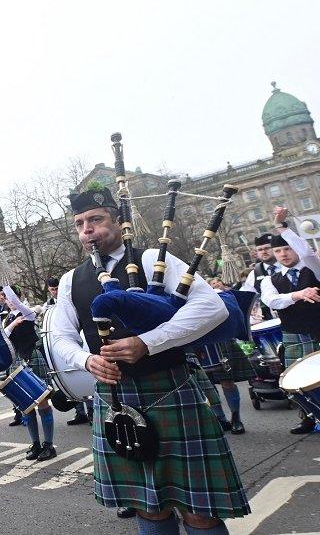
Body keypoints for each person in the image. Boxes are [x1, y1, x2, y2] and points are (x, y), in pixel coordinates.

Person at [49, 184, 250, 533]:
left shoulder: (150, 260)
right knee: (148, 506)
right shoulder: (71, 280)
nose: (87, 230)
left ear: (117, 221)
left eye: (95, 219)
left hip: (170, 387)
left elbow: (212, 307)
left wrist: (147, 342)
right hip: (115, 398)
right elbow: (61, 336)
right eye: (80, 223)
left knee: (199, 510)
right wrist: (85, 360)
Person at [259, 206, 320, 435]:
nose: (283, 254)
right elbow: (272, 301)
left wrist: (281, 228)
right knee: (297, 381)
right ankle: (308, 418)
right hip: (294, 333)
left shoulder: (315, 269)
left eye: (287, 248)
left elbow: (307, 253)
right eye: (278, 251)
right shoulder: (270, 280)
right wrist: (298, 294)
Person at [4, 284, 56, 460]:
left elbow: (19, 305)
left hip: (32, 357)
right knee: (25, 407)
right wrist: (12, 324)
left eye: (12, 299)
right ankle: (35, 444)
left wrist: (4, 284)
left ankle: (48, 445)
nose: (10, 302)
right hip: (17, 361)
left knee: (42, 403)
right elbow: (3, 336)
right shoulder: (6, 319)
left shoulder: (28, 312)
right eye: (7, 299)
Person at [241, 233, 281, 321]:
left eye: (267, 248)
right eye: (260, 249)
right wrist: (251, 309)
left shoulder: (288, 266)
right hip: (272, 321)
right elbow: (247, 297)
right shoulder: (254, 274)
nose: (263, 252)